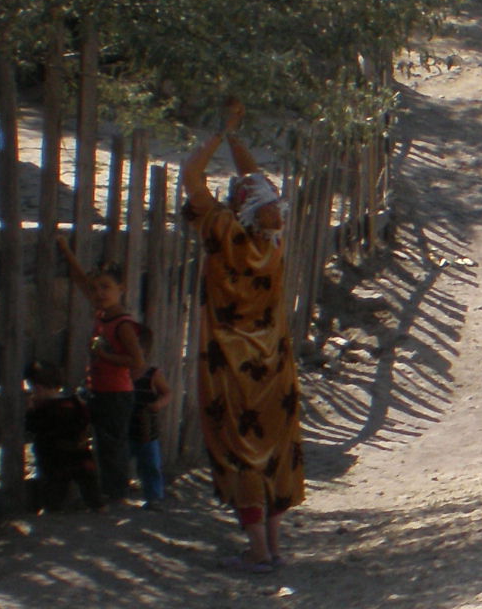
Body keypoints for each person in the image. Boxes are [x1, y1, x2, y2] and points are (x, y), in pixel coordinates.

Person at [182, 98, 304, 571]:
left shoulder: (224, 235)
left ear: (238, 207)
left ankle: (256, 551)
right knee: (273, 448)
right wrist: (236, 139)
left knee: (241, 450)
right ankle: (273, 545)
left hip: (230, 363)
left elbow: (192, 178)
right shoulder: (273, 246)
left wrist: (220, 132)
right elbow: (256, 184)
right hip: (274, 362)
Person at [56, 241, 144, 504]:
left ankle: (116, 494)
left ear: (121, 289)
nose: (99, 293)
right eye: (96, 289)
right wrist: (65, 250)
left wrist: (104, 356)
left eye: (106, 287)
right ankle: (106, 490)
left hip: (116, 393)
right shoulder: (102, 313)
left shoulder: (122, 324)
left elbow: (137, 361)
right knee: (99, 441)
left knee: (112, 445)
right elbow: (82, 281)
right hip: (98, 390)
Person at [24, 359, 103, 512]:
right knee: (88, 480)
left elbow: (32, 427)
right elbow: (86, 419)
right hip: (80, 451)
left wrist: (30, 410)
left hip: (53, 456)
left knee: (54, 484)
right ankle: (98, 505)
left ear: (38, 388)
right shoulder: (74, 402)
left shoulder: (43, 409)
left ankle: (52, 508)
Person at [131, 325, 172, 507]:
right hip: (124, 426)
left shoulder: (152, 374)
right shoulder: (120, 373)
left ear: (145, 350)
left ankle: (153, 497)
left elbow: (167, 393)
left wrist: (158, 404)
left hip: (146, 429)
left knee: (150, 464)